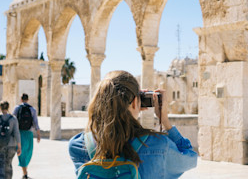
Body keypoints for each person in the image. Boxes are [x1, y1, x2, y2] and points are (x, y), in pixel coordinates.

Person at [69, 70, 197, 178]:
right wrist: (165, 122)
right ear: (136, 102)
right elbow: (190, 158)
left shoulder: (78, 145)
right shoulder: (158, 145)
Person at [13, 93, 41, 179]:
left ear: (21, 99)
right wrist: (38, 134)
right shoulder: (32, 109)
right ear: (28, 99)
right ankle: (25, 173)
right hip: (29, 133)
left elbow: (13, 120)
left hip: (19, 132)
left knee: (22, 152)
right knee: (28, 152)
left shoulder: (17, 108)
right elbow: (35, 122)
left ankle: (24, 172)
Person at [0, 101, 21, 179]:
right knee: (8, 165)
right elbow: (17, 133)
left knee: (1, 165)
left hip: (1, 145)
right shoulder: (13, 118)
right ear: (8, 108)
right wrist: (19, 147)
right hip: (11, 145)